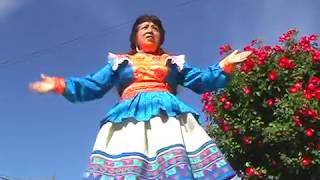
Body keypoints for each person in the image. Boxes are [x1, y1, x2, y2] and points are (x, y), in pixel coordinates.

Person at [30, 14, 251, 180]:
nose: (150, 30)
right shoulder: (120, 62)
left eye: (155, 28)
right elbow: (93, 85)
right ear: (135, 37)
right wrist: (59, 84)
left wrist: (225, 65)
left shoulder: (173, 63)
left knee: (175, 169)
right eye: (144, 27)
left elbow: (201, 79)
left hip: (168, 118)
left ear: (160, 37)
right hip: (129, 119)